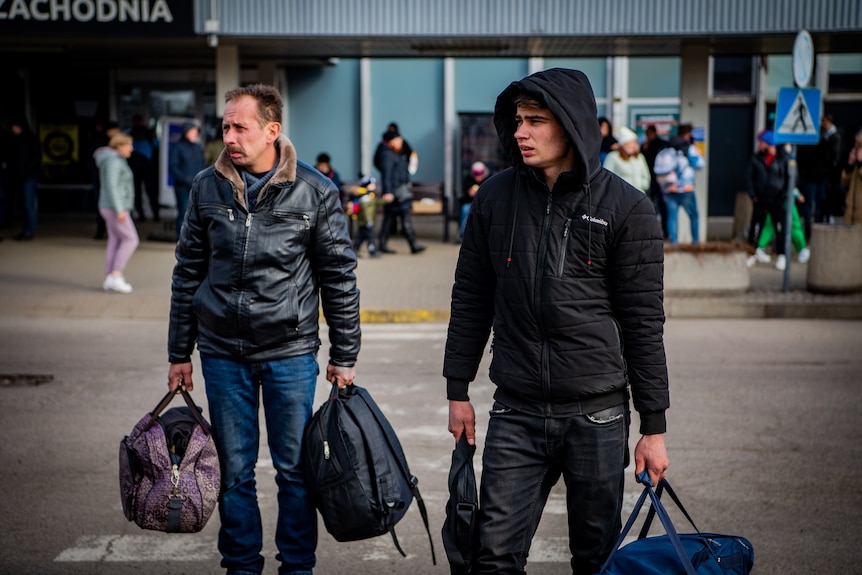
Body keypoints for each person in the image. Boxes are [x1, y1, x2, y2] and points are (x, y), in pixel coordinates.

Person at [444, 68, 669, 575]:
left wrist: (653, 428)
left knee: (595, 559)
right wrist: (457, 388)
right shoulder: (494, 199)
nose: (520, 131)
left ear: (570, 125)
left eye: (536, 120)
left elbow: (643, 325)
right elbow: (471, 299)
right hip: (516, 410)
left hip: (597, 414)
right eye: (518, 120)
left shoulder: (627, 209)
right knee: (493, 556)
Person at [167, 84, 360, 575]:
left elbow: (339, 276)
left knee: (295, 472)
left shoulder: (315, 191)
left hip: (290, 353)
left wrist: (345, 354)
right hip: (222, 354)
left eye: (240, 127)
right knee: (234, 474)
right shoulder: (205, 187)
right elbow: (188, 270)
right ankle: (241, 567)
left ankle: (297, 567)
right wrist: (178, 353)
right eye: (225, 126)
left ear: (272, 131)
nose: (229, 136)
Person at [94, 133, 139, 293]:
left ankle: (110, 277)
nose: (131, 149)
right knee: (131, 239)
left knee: (115, 239)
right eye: (129, 145)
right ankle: (115, 274)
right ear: (119, 146)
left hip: (111, 206)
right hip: (115, 208)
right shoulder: (113, 162)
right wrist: (120, 210)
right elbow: (112, 187)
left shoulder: (114, 160)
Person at [745, 129, 790, 270]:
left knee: (780, 227)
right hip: (760, 198)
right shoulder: (756, 158)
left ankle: (782, 255)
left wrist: (784, 195)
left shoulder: (783, 158)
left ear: (769, 144)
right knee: (756, 226)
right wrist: (753, 195)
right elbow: (748, 177)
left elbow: (790, 178)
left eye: (762, 142)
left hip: (777, 199)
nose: (759, 145)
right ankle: (751, 253)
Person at [376, 128, 425, 254]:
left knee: (390, 218)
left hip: (398, 191)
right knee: (404, 218)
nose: (401, 143)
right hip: (397, 192)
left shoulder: (395, 153)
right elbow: (386, 175)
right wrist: (388, 192)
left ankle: (382, 244)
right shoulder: (387, 155)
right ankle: (412, 244)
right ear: (391, 141)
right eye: (398, 140)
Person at [654, 123, 704, 244]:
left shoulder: (667, 147)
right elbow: (700, 164)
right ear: (687, 135)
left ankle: (674, 243)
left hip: (669, 188)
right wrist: (696, 149)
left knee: (672, 218)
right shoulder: (689, 148)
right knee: (694, 215)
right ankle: (695, 243)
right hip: (686, 189)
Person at [797, 114, 843, 237]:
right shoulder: (824, 143)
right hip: (817, 178)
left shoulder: (812, 144)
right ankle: (815, 228)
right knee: (816, 204)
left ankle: (810, 230)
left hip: (813, 178)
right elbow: (829, 160)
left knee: (811, 204)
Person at [748, 187, 809, 268]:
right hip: (779, 198)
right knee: (785, 224)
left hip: (781, 198)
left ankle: (761, 247)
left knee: (776, 224)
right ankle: (760, 247)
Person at [168, 119, 206, 238]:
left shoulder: (197, 147)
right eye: (192, 131)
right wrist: (185, 179)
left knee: (198, 214)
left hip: (197, 186)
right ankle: (181, 240)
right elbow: (173, 167)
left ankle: (193, 240)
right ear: (186, 132)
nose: (195, 134)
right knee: (184, 213)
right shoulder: (178, 147)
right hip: (182, 187)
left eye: (196, 132)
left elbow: (202, 165)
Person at [9, 116, 41, 241]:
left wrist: (26, 171)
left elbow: (35, 159)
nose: (13, 129)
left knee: (29, 204)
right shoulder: (16, 140)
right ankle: (26, 230)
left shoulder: (31, 139)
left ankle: (29, 231)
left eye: (15, 126)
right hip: (19, 177)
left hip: (29, 177)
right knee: (23, 205)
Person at [602, 126, 651, 194]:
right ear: (624, 144)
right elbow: (607, 178)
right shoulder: (613, 157)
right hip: (621, 196)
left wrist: (641, 185)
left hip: (639, 195)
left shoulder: (639, 157)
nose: (634, 145)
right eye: (631, 143)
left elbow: (646, 176)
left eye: (635, 142)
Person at [641, 124, 669, 239]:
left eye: (649, 133)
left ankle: (666, 233)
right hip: (649, 181)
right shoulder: (645, 146)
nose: (648, 136)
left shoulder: (661, 144)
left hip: (660, 181)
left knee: (663, 207)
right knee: (649, 208)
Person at [350, 175, 382, 257]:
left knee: (360, 236)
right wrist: (368, 221)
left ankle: (355, 249)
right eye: (372, 184)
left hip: (364, 221)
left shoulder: (369, 195)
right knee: (371, 237)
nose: (374, 185)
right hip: (366, 221)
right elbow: (366, 212)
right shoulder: (366, 197)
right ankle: (373, 251)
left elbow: (377, 202)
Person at [458, 160, 490, 240]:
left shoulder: (489, 180)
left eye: (480, 174)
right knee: (465, 209)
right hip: (470, 203)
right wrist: (469, 194)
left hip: (485, 204)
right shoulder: (468, 180)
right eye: (476, 174)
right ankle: (463, 234)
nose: (478, 177)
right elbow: (463, 197)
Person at [842, 129, 862, 225]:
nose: (855, 148)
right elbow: (845, 180)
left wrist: (860, 163)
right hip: (851, 206)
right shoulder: (855, 165)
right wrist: (850, 164)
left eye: (858, 146)